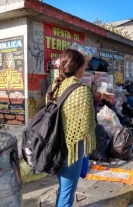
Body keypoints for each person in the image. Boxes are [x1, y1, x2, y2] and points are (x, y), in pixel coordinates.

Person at [46, 49, 96, 206]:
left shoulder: (55, 86)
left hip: (54, 144)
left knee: (62, 188)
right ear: (79, 67)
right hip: (72, 147)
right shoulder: (81, 90)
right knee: (67, 192)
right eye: (84, 66)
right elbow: (87, 125)